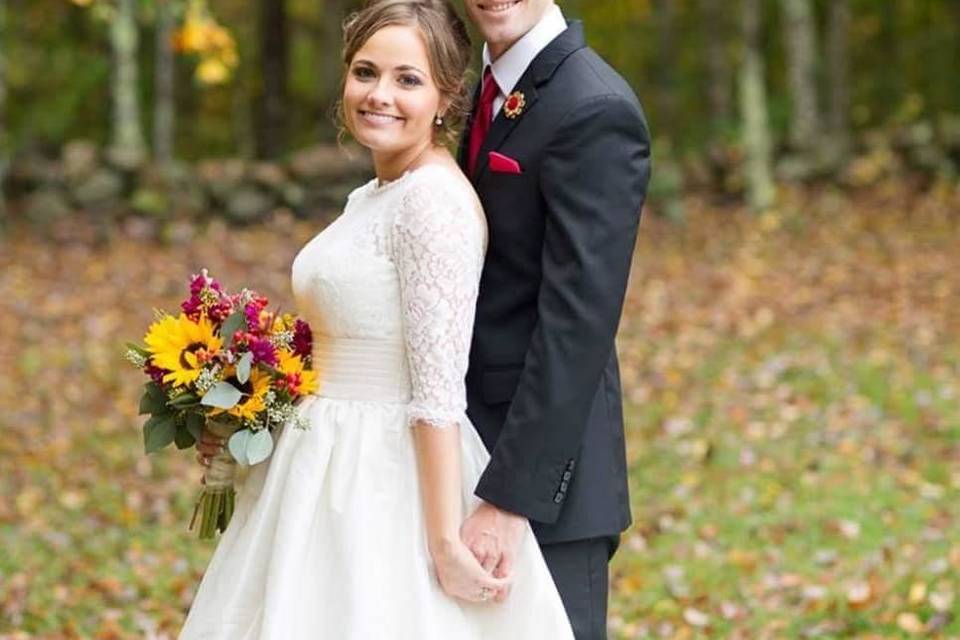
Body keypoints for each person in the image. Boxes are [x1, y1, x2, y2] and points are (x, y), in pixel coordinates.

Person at [182, 1, 574, 638]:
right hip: (319, 461)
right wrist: (248, 415)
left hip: (384, 478)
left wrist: (444, 540)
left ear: (446, 96)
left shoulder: (432, 204)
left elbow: (437, 391)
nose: (379, 95)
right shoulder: (373, 195)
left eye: (407, 79)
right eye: (365, 72)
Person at [456, 1, 652, 638]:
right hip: (452, 452)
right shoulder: (466, 90)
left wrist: (511, 497)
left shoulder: (594, 106)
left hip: (542, 492)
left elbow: (577, 326)